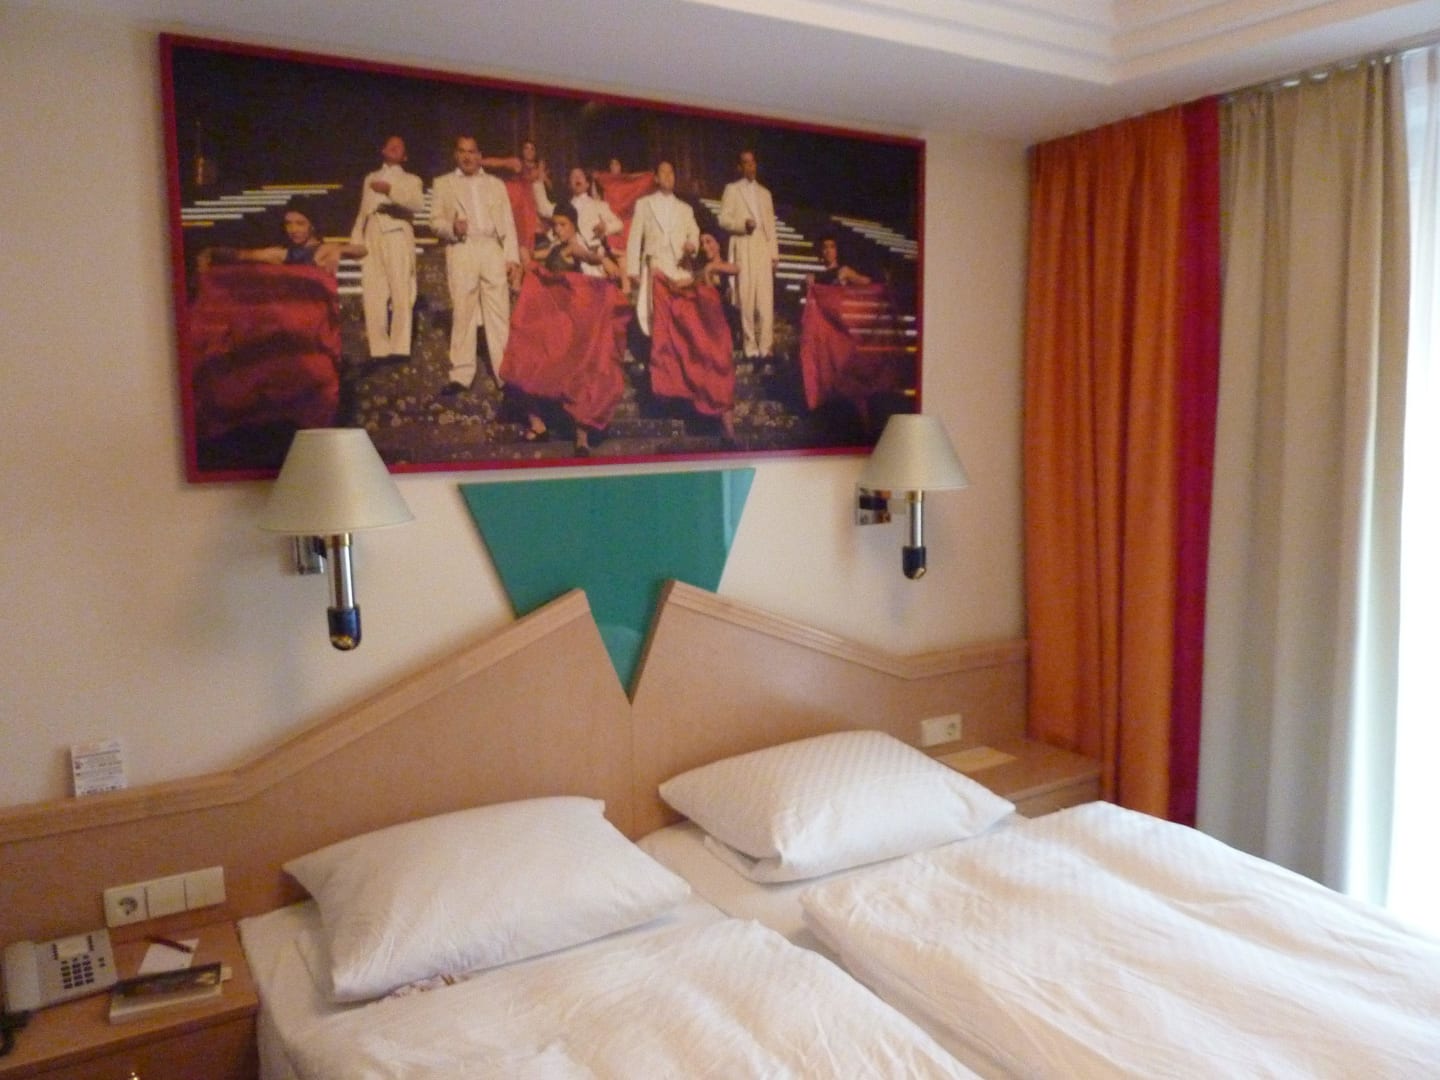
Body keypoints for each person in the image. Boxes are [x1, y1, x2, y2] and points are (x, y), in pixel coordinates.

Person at [430, 135, 522, 397]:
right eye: (462, 151)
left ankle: (505, 373)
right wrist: (451, 227)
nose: (467, 156)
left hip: (491, 247)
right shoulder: (443, 183)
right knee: (463, 310)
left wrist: (512, 257)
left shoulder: (495, 184)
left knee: (499, 311)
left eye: (472, 151)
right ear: (456, 155)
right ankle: (461, 374)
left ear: (480, 155)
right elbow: (434, 222)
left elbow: (508, 222)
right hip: (463, 247)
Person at [349, 135, 424, 362]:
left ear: (405, 156)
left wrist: (390, 190)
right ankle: (379, 349)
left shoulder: (411, 179)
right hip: (373, 233)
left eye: (399, 146)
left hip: (397, 233)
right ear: (382, 150)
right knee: (373, 290)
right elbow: (363, 210)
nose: (394, 147)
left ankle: (399, 347)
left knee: (401, 290)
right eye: (390, 144)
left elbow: (417, 204)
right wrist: (356, 239)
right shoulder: (370, 178)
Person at [717, 148, 779, 362]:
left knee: (765, 300)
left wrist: (774, 254)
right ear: (739, 167)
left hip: (762, 246)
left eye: (752, 162)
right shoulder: (732, 189)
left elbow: (770, 226)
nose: (750, 166)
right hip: (744, 244)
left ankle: (766, 347)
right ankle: (750, 347)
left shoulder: (765, 193)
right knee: (747, 297)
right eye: (745, 162)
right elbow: (723, 219)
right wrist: (743, 224)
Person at [625, 160, 699, 337]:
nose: (668, 176)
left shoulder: (685, 208)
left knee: (678, 313)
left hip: (678, 265)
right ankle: (658, 350)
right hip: (655, 265)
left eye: (671, 172)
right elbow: (635, 238)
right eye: (663, 172)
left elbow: (694, 232)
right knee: (656, 313)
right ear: (656, 178)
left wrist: (692, 245)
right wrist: (633, 270)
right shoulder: (644, 204)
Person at [198, 195, 364, 274]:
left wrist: (339, 251)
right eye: (288, 224)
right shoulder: (282, 254)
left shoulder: (323, 250)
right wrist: (211, 252)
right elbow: (241, 255)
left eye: (300, 223)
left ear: (312, 226)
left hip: (317, 324)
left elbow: (362, 250)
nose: (293, 229)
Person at [566, 166, 624, 280]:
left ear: (587, 184)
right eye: (573, 176)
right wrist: (537, 183)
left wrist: (605, 228)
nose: (577, 178)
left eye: (580, 176)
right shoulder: (564, 208)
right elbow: (544, 209)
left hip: (596, 258)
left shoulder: (599, 205)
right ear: (569, 185)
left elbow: (619, 225)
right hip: (575, 259)